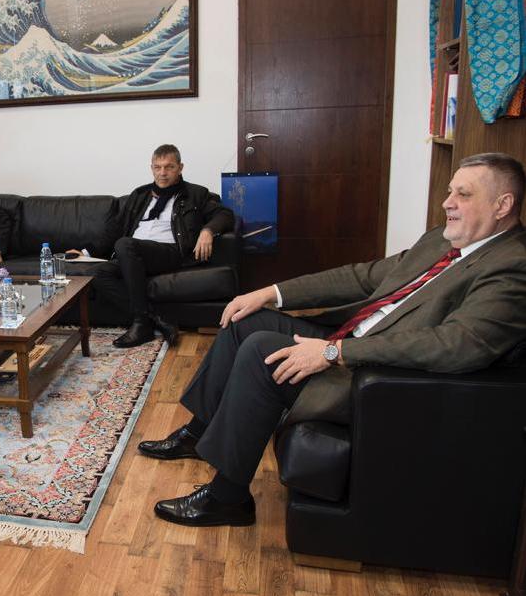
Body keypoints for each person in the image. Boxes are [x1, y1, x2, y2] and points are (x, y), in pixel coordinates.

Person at [138, 152, 526, 527]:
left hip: (375, 372)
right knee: (244, 320)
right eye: (450, 191)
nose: (447, 203)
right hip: (350, 338)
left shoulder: (511, 267)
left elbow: (457, 345)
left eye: (463, 194)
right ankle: (197, 433)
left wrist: (335, 351)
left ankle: (227, 498)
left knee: (261, 350)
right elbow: (362, 277)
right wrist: (270, 292)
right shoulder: (441, 241)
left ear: (503, 204)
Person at [68, 144, 234, 348]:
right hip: (133, 254)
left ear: (180, 167)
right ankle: (154, 318)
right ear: (152, 168)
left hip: (170, 252)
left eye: (169, 167)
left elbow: (225, 214)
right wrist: (85, 252)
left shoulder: (195, 193)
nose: (162, 173)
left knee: (125, 244)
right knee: (96, 273)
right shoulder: (140, 195)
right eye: (157, 167)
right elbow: (115, 229)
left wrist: (208, 230)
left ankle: (140, 325)